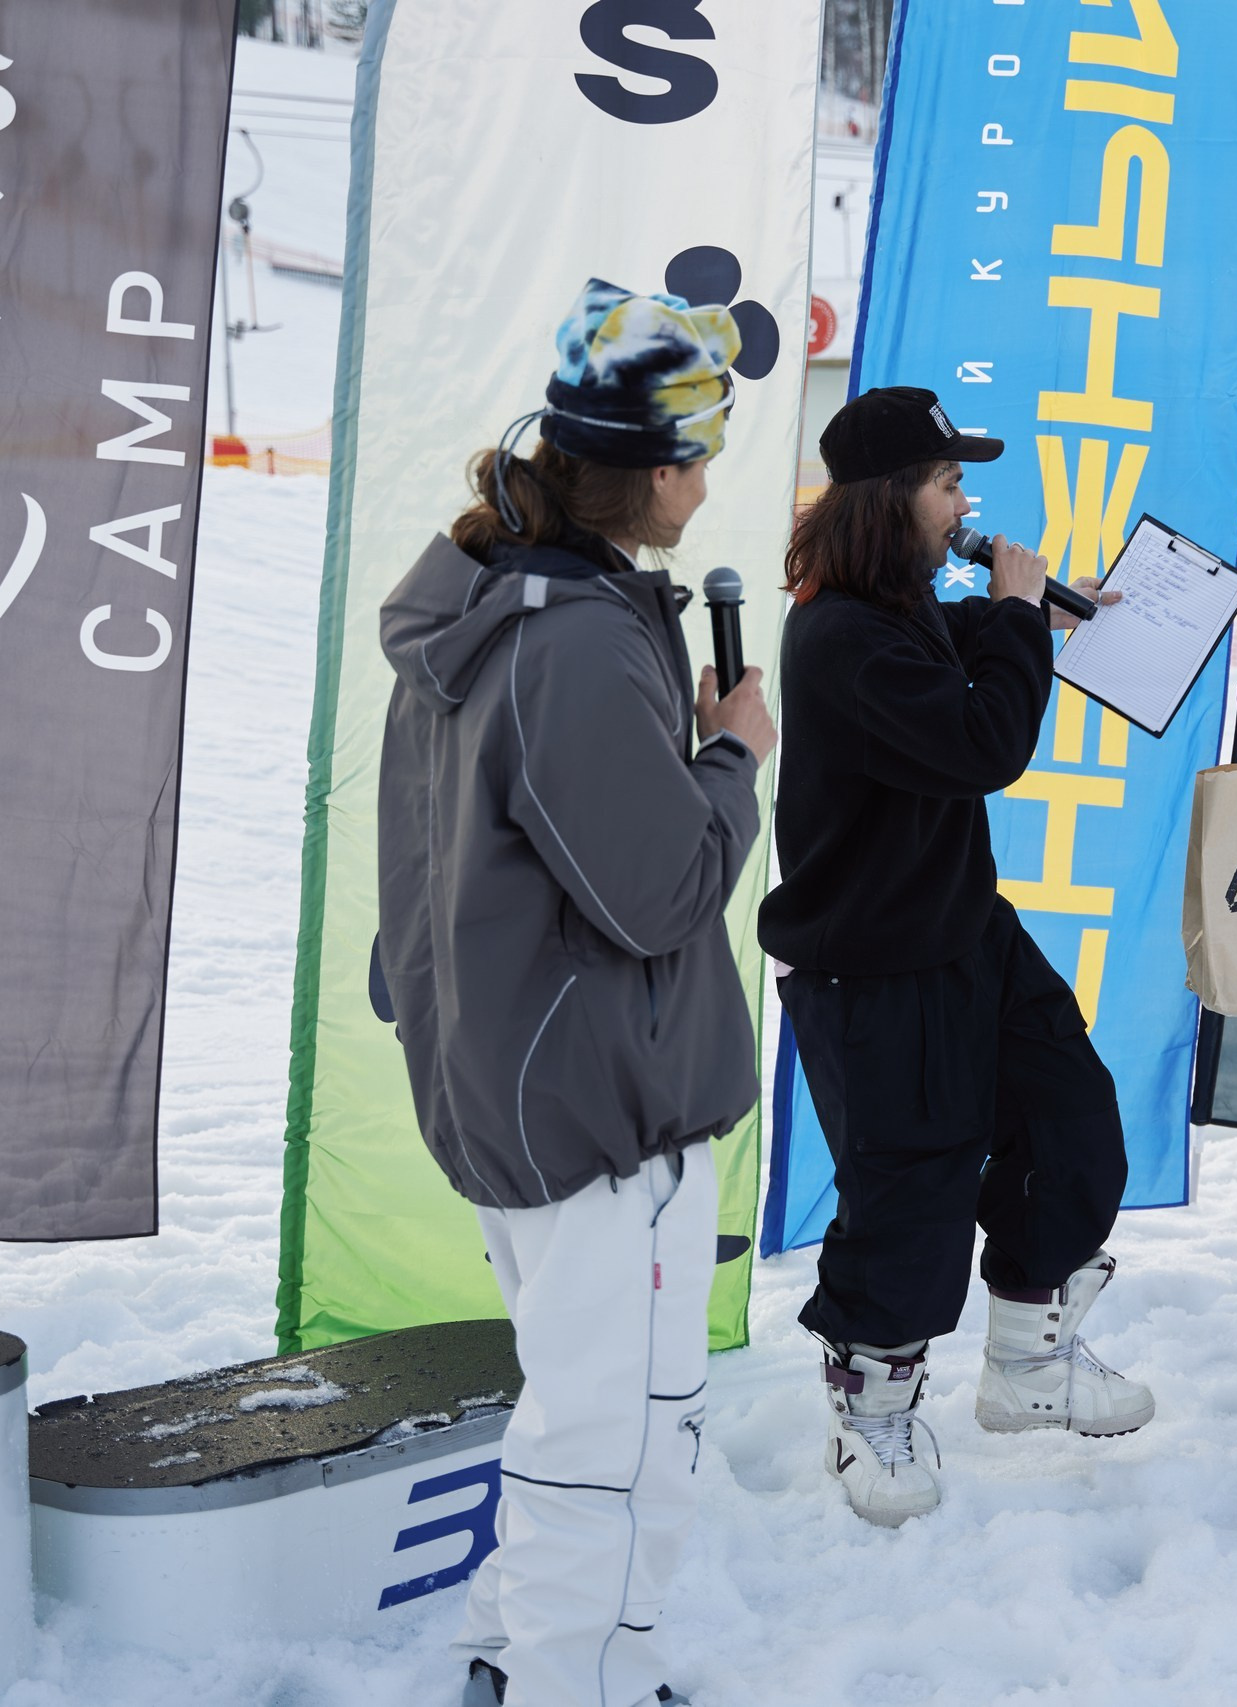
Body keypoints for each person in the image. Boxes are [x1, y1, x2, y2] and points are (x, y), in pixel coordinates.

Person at [375, 278, 776, 1707]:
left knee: (610, 1403)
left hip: (521, 1065)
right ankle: (574, 1679)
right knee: (609, 1423)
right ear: (656, 467)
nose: (712, 481)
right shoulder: (571, 635)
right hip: (592, 1094)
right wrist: (733, 754)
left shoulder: (493, 589)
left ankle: (525, 1643)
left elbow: (446, 844)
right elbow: (661, 890)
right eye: (705, 453)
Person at [757, 385, 1151, 1527]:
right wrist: (1022, 616)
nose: (965, 503)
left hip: (964, 925)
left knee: (1069, 1116)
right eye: (946, 484)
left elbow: (952, 642)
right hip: (874, 959)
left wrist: (1042, 615)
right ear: (892, 501)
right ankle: (868, 1402)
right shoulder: (834, 630)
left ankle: (1030, 1357)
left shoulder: (899, 606)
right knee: (912, 1186)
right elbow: (980, 740)